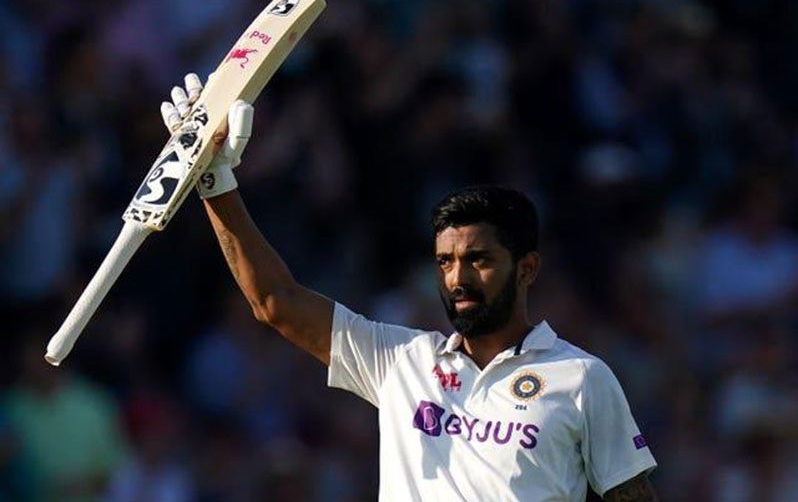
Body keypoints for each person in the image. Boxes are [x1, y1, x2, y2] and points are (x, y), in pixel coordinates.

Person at [161, 74, 659, 502]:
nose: (458, 279)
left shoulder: (581, 378)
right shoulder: (403, 361)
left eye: (479, 260)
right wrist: (215, 182)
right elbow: (276, 302)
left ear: (527, 268)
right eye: (446, 262)